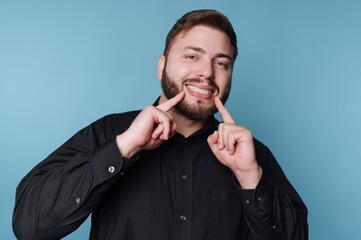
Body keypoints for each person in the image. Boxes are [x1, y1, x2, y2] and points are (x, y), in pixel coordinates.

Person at [13, 9, 308, 240]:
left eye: (221, 63)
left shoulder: (252, 155)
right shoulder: (109, 132)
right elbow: (30, 226)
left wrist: (249, 177)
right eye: (192, 56)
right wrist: (123, 148)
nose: (206, 72)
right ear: (161, 66)